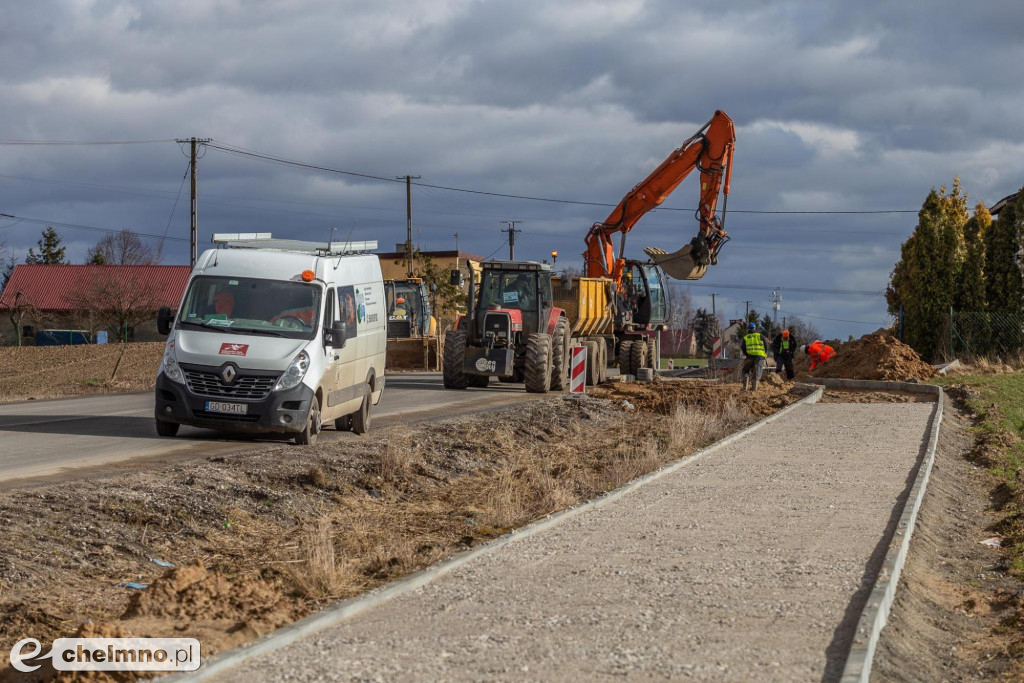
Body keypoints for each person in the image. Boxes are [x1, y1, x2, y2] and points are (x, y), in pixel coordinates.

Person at [740, 322, 768, 391]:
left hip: (750, 357)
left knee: (745, 370)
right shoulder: (761, 336)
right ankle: (754, 389)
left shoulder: (746, 337)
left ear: (748, 329)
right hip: (760, 357)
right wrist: (765, 354)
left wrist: (747, 355)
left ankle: (745, 387)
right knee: (757, 371)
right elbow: (766, 346)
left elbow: (743, 348)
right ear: (755, 329)